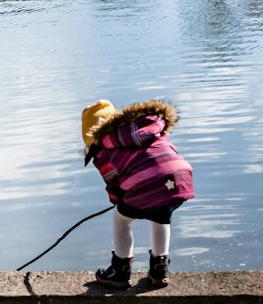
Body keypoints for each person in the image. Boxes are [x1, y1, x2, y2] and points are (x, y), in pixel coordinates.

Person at [81, 99, 195, 289]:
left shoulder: (104, 149)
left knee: (121, 218)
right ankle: (159, 270)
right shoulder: (146, 130)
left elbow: (113, 183)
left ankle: (120, 271)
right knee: (161, 216)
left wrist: (118, 200)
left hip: (148, 182)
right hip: (179, 177)